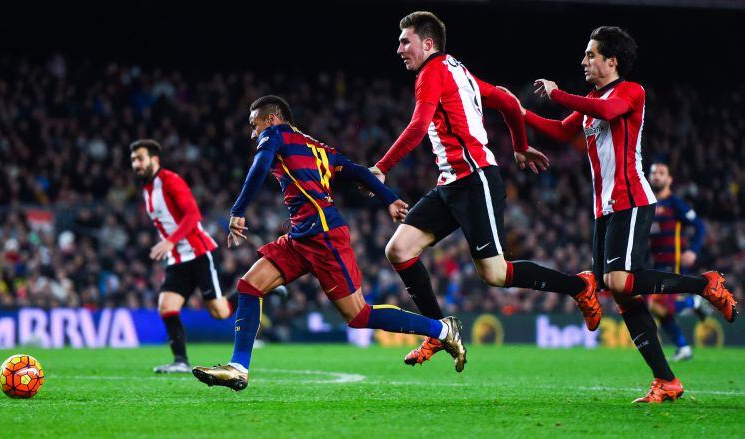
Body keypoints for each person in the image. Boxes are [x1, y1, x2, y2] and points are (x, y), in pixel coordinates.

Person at [500, 26, 737, 402]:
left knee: (621, 282)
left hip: (632, 199)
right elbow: (562, 132)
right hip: (604, 207)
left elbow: (608, 110)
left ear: (612, 61)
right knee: (619, 292)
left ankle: (704, 285)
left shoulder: (630, 92)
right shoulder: (591, 101)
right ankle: (666, 380)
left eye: (591, 55)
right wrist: (520, 110)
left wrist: (559, 93)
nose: (584, 61)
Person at [369, 11, 601, 367]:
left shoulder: (432, 71)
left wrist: (381, 168)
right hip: (451, 183)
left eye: (405, 41)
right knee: (399, 250)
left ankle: (578, 286)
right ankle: (439, 331)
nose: (399, 48)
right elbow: (508, 101)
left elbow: (418, 127)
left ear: (427, 44)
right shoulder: (459, 71)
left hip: (475, 180)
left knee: (494, 273)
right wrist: (520, 145)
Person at [192, 96, 466, 392]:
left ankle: (441, 329)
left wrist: (238, 209)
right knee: (250, 286)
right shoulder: (317, 147)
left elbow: (260, 166)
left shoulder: (275, 134)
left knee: (359, 315)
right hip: (300, 236)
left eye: (253, 124)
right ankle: (239, 367)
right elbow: (358, 171)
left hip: (324, 235)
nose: (252, 132)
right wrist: (389, 198)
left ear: (271, 119)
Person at [130, 139, 235, 373]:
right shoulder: (147, 189)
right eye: (133, 160)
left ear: (154, 159)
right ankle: (180, 361)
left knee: (221, 312)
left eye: (140, 158)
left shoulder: (170, 181)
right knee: (166, 306)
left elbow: (192, 216)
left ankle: (258, 289)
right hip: (177, 258)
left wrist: (169, 241)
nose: (136, 164)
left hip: (198, 252)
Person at [648, 162, 710, 361]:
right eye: (654, 173)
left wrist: (692, 250)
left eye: (661, 173)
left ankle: (694, 301)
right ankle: (683, 347)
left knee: (655, 304)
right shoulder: (647, 203)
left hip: (672, 261)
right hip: (656, 263)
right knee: (658, 308)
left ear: (669, 179)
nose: (656, 176)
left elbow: (699, 227)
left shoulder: (675, 203)